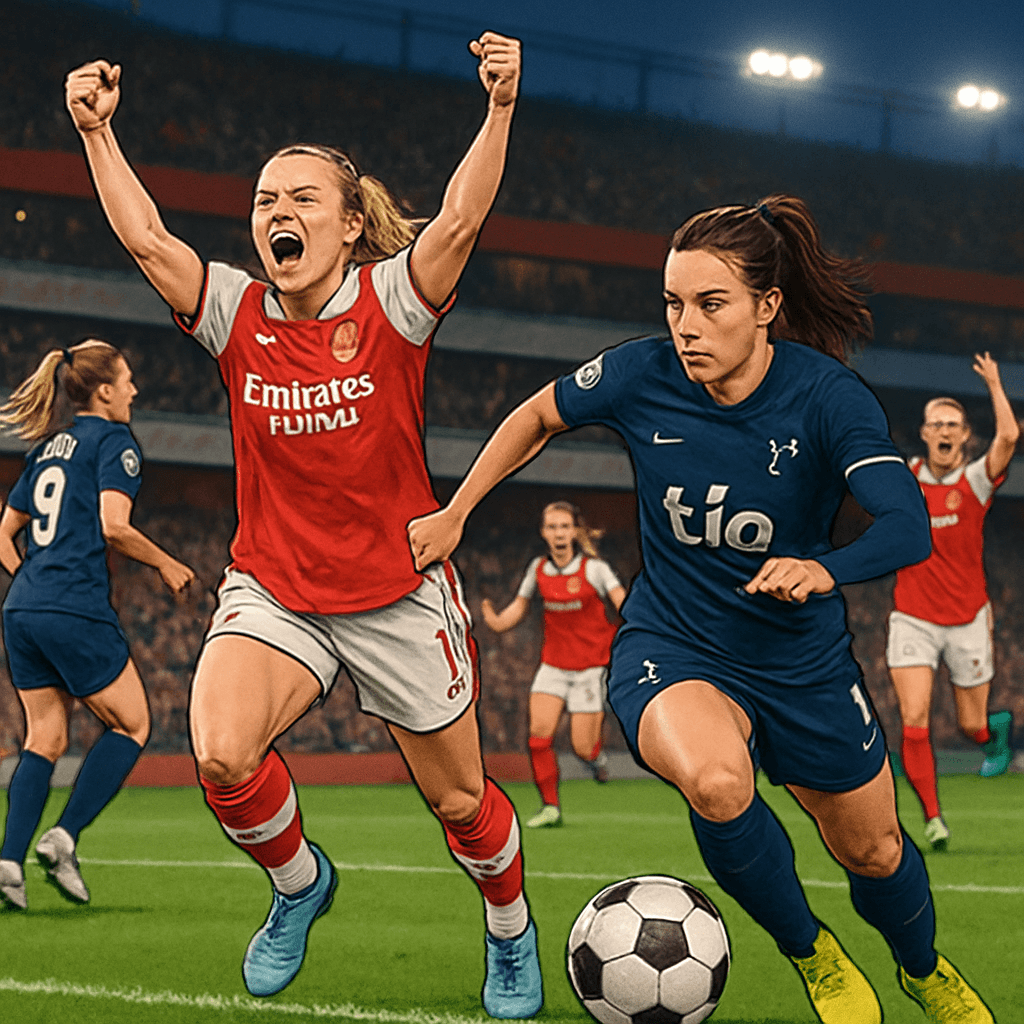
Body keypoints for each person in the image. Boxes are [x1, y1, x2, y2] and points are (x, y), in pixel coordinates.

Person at [410, 196, 996, 1023]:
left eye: (710, 304)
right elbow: (538, 414)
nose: (685, 325)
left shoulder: (829, 398)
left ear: (767, 307)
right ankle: (813, 954)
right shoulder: (641, 373)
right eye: (673, 303)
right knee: (718, 784)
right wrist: (457, 509)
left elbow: (905, 526)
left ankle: (922, 969)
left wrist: (823, 570)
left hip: (803, 662)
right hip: (673, 644)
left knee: (874, 847)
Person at [64, 35, 543, 1017]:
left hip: (399, 593)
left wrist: (497, 110)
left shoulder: (394, 300)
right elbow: (151, 240)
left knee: (460, 803)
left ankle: (508, 928)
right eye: (264, 202)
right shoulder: (236, 311)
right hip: (276, 588)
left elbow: (460, 216)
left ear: (351, 227)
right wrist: (96, 133)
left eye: (301, 200)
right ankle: (298, 883)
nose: (276, 213)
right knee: (221, 754)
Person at [0, 340, 195, 911]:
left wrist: (30, 579)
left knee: (46, 738)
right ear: (104, 390)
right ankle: (63, 838)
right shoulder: (114, 441)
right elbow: (114, 525)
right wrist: (165, 561)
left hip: (23, 608)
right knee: (133, 724)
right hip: (73, 605)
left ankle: (9, 864)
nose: (134, 390)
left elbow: (2, 533)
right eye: (127, 380)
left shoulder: (46, 448)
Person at [887, 360, 1018, 852]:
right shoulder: (903, 478)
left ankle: (995, 730)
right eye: (936, 423)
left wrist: (993, 384)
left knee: (971, 726)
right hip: (913, 617)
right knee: (914, 718)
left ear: (965, 437)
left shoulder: (975, 483)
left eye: (953, 425)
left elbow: (1008, 437)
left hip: (967, 618)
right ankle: (934, 819)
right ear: (923, 433)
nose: (944, 431)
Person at [482, 501, 625, 827]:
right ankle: (550, 807)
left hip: (590, 668)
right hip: (553, 667)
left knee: (582, 747)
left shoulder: (595, 570)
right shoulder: (538, 569)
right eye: (552, 527)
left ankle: (595, 758)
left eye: (564, 526)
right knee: (538, 737)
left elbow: (622, 602)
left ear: (574, 531)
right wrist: (498, 621)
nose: (559, 533)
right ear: (544, 532)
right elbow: (520, 605)